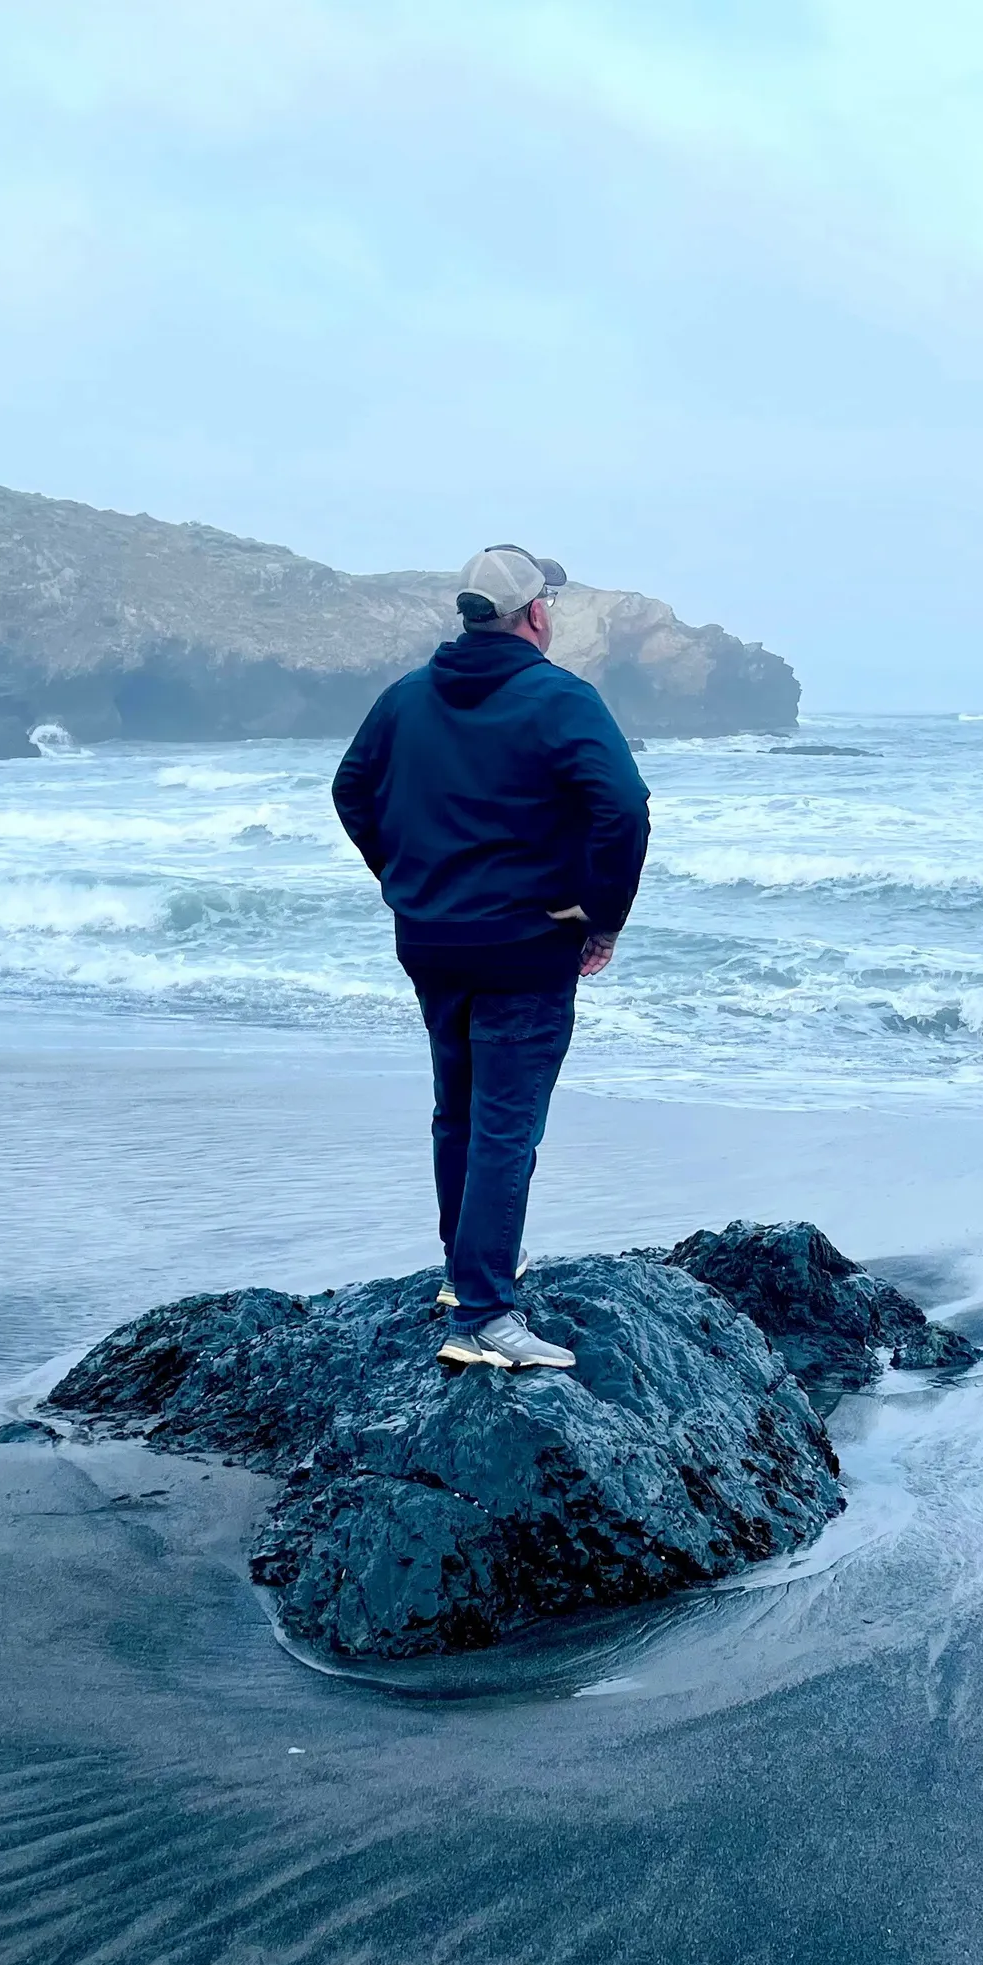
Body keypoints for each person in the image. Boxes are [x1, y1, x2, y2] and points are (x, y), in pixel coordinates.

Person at [331, 545, 650, 1371]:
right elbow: (623, 808)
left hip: (431, 937)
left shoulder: (406, 697)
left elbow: (351, 790)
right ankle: (480, 1317)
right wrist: (597, 917)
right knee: (505, 1126)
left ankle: (467, 1272)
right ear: (536, 612)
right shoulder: (558, 698)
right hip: (524, 944)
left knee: (459, 1112)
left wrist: (406, 879)